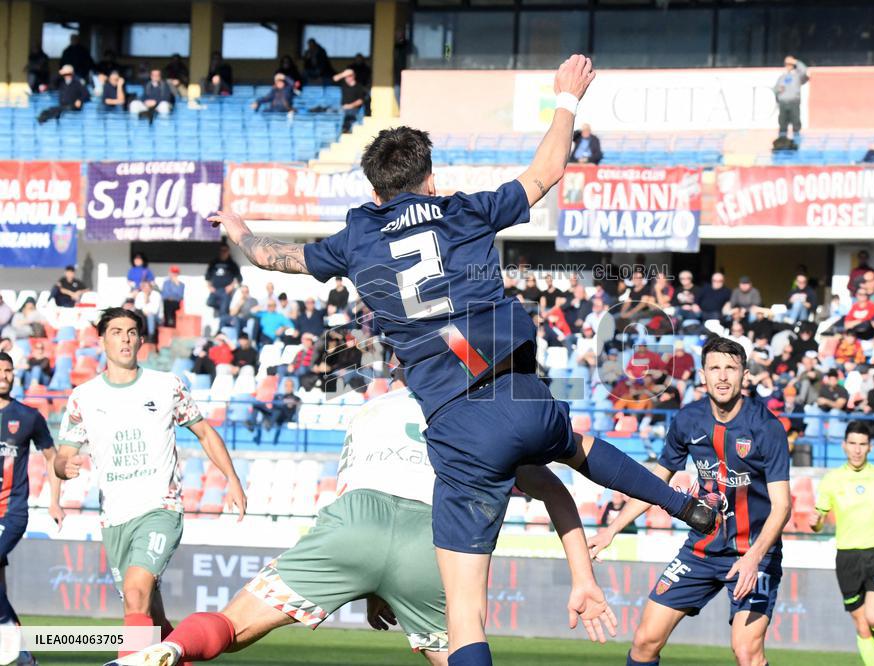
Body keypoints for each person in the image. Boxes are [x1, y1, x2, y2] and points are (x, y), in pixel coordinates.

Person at [207, 54, 719, 665]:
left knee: (464, 616)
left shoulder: (359, 236)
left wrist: (238, 227)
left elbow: (272, 257)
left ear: (375, 192)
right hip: (521, 396)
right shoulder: (462, 209)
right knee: (577, 448)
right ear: (429, 178)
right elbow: (550, 168)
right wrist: (566, 98)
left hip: (458, 426)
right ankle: (687, 506)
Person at [109, 385, 617, 666]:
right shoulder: (483, 416)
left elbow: (354, 495)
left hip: (356, 519)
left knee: (232, 627)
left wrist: (371, 581)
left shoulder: (370, 409)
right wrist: (584, 579)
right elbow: (556, 492)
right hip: (435, 542)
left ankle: (170, 647)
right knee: (458, 656)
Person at [54, 308, 247, 662]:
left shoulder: (166, 385)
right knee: (149, 616)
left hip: (161, 508)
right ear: (102, 340)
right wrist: (64, 466)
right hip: (114, 517)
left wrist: (232, 480)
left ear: (142, 339)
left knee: (135, 589)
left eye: (131, 332)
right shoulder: (83, 397)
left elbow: (204, 431)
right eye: (116, 331)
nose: (125, 338)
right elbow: (62, 454)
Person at [588, 336, 791, 666]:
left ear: (744, 375)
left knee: (748, 653)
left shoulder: (766, 428)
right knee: (644, 641)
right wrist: (612, 530)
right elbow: (655, 484)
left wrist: (754, 558)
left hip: (752, 555)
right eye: (715, 368)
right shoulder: (688, 420)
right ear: (703, 374)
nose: (722, 376)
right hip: (700, 551)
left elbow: (782, 505)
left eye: (730, 368)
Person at [810, 421, 874, 666]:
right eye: (852, 443)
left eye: (862, 444)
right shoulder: (832, 479)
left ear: (870, 448)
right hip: (847, 558)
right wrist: (815, 523)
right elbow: (819, 520)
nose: (857, 449)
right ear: (844, 446)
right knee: (862, 626)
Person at [0, 352, 64, 666]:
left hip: (10, 512)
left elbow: (53, 458)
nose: (4, 375)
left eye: (9, 370)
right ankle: (24, 654)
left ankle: (5, 633)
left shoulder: (27, 416)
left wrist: (54, 499)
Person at [773, 54, 808, 142]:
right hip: (783, 102)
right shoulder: (782, 77)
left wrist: (795, 61)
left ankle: (796, 142)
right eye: (787, 64)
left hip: (794, 102)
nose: (788, 66)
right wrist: (778, 90)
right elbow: (775, 89)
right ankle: (782, 142)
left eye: (790, 64)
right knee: (782, 124)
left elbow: (804, 70)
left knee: (796, 123)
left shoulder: (797, 75)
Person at [204, 243, 242, 320]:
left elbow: (238, 278)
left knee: (223, 312)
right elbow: (207, 277)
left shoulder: (232, 264)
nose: (223, 252)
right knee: (209, 302)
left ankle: (222, 329)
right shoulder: (213, 263)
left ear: (228, 252)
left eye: (225, 251)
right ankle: (222, 306)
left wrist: (231, 286)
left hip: (225, 291)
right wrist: (210, 287)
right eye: (221, 250)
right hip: (215, 290)